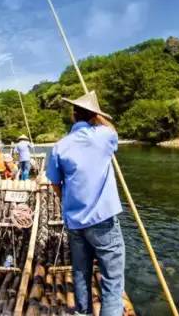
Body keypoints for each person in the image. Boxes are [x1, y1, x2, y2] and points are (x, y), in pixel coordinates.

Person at [46, 91, 124, 316]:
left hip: (75, 222)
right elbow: (113, 132)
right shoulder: (103, 136)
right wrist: (98, 116)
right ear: (94, 116)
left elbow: (55, 183)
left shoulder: (60, 146)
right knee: (112, 279)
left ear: (73, 115)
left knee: (81, 272)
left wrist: (67, 203)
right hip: (102, 220)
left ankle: (83, 313)